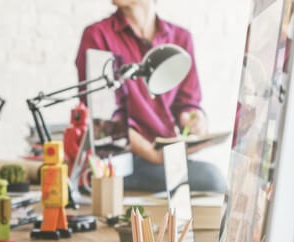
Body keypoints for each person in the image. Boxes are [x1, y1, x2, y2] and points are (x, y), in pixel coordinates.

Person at [75, 0, 226, 192]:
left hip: (164, 152)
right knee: (212, 179)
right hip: (122, 158)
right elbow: (103, 117)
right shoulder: (97, 36)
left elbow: (188, 102)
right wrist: (151, 154)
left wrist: (193, 119)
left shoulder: (180, 38)